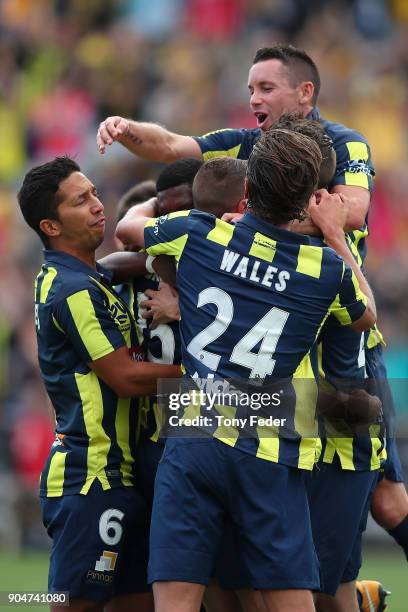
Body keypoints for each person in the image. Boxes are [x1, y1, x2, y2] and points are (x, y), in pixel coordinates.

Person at [97, 42, 408, 582]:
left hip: (342, 349)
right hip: (281, 357)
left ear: (305, 93)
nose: (253, 100)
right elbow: (172, 146)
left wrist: (249, 229)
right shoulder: (249, 146)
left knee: (380, 503)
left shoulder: (344, 144)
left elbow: (351, 213)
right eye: (249, 90)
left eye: (265, 88)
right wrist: (127, 130)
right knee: (263, 513)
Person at [116, 129, 376, 612]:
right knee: (286, 597)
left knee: (178, 600)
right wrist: (336, 233)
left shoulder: (197, 232)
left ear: (248, 193)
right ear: (307, 203)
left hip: (192, 434)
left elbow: (128, 232)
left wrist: (152, 205)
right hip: (269, 444)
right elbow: (366, 314)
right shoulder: (326, 269)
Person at [17, 156, 180, 612]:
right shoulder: (73, 290)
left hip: (126, 475)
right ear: (50, 225)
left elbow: (120, 262)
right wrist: (204, 378)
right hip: (90, 478)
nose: (97, 205)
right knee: (74, 604)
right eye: (80, 201)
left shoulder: (94, 277)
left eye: (93, 192)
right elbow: (126, 379)